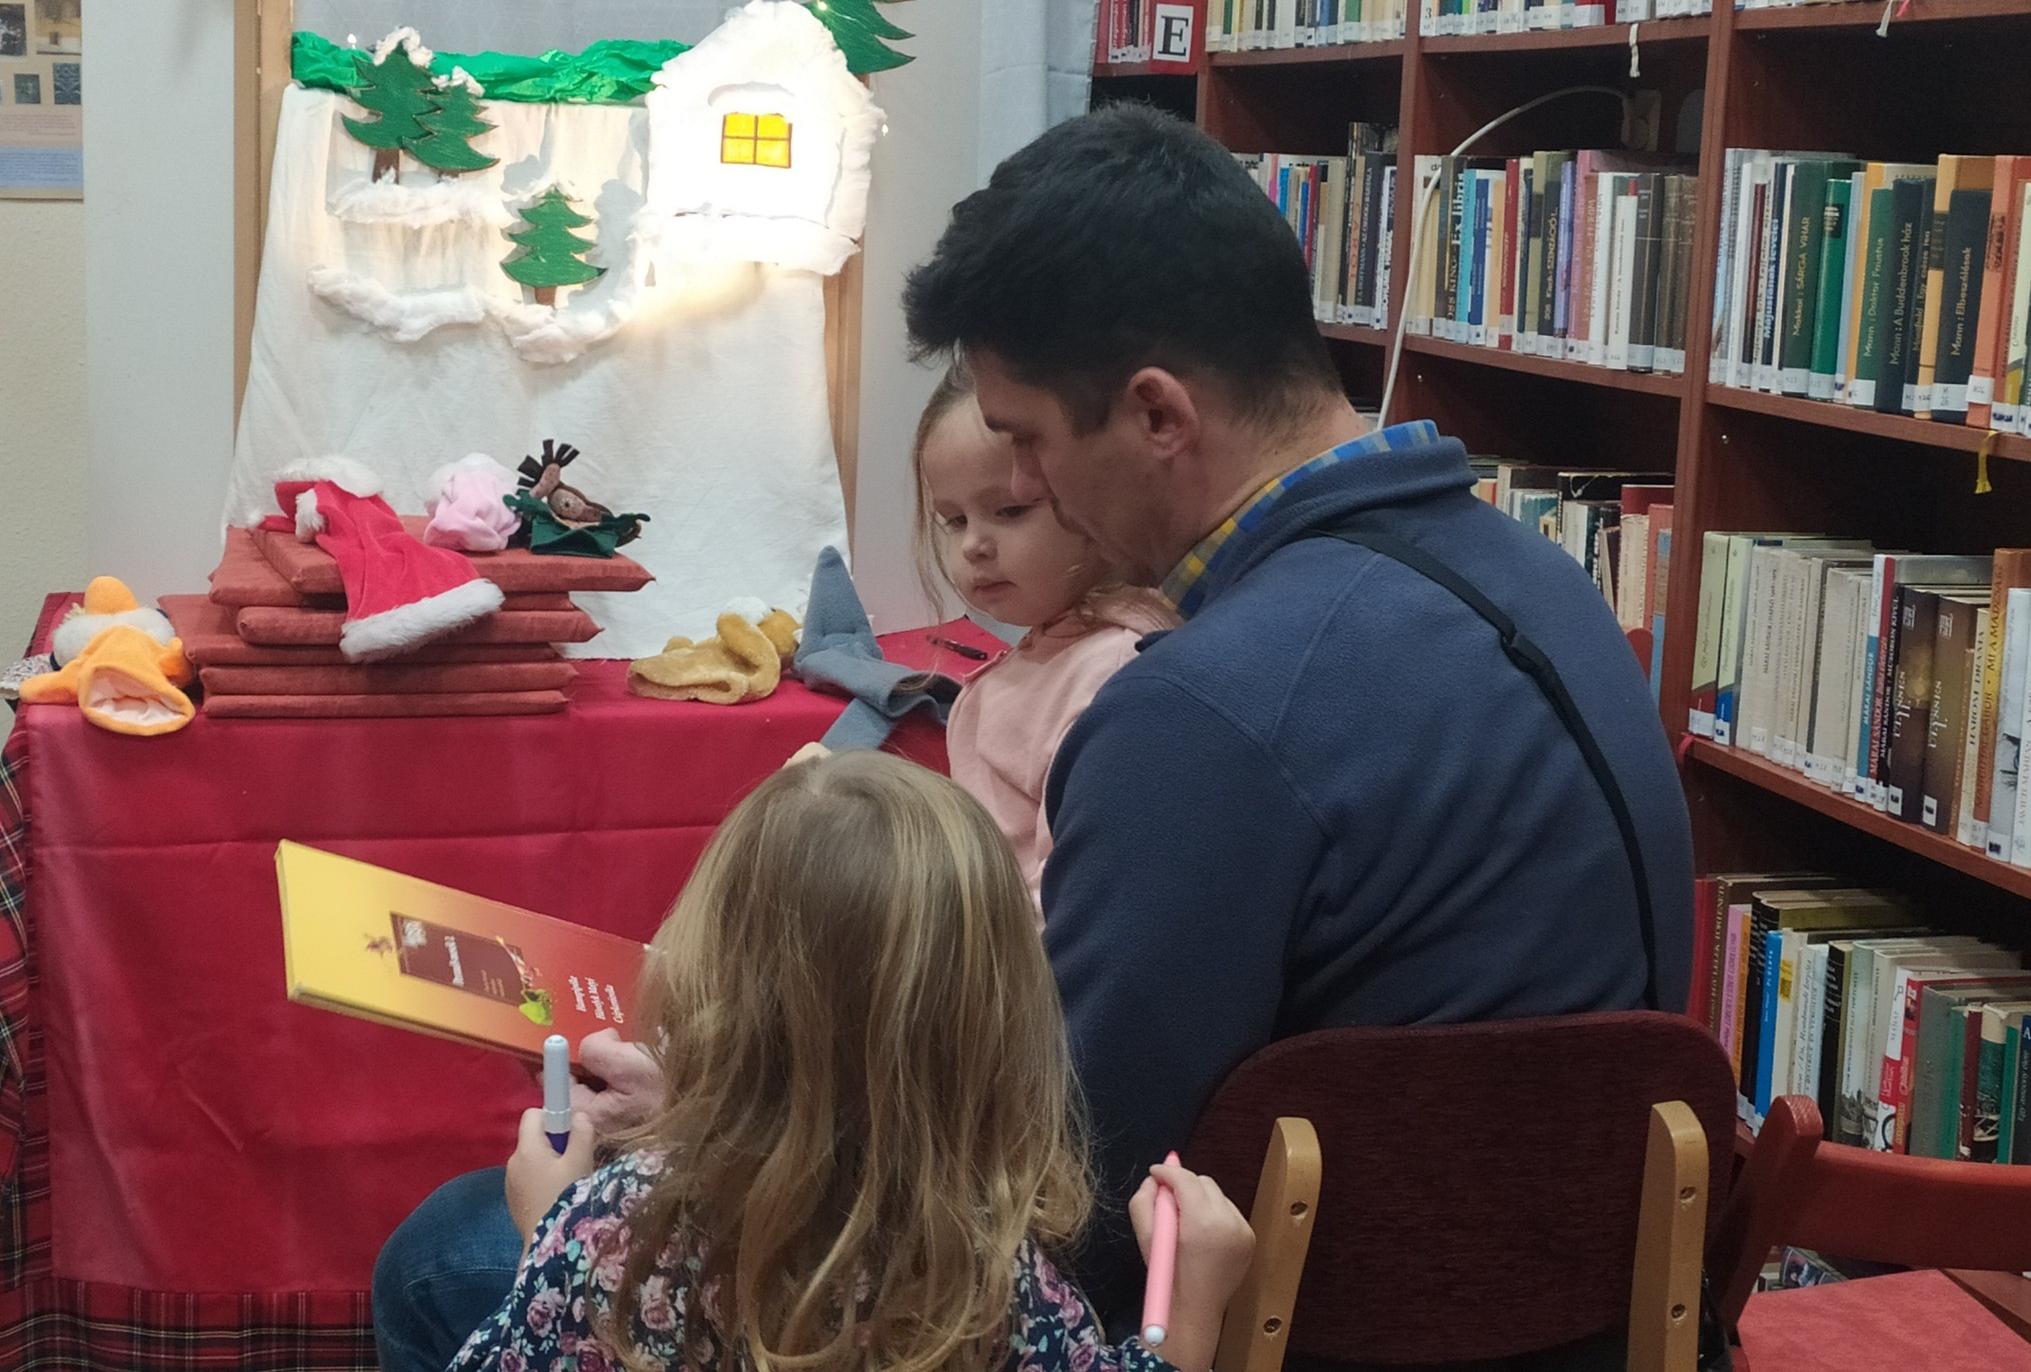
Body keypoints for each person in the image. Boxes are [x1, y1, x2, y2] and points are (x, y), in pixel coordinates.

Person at [898, 103, 1695, 1325]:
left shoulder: (1198, 712)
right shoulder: (1550, 586)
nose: (1023, 485)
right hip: (1599, 1327)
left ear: (1159, 416)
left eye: (1027, 442)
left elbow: (1064, 1193)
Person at [378, 754, 1254, 1372]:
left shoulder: (609, 1233)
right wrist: (1189, 1311)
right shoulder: (992, 1281)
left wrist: (548, 1230)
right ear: (997, 1027)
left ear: (709, 986)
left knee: (426, 1259)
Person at [914, 360, 1178, 912]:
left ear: (1089, 497)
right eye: (955, 521)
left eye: (1009, 510)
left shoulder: (1110, 673)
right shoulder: (1046, 652)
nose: (973, 546)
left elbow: (1067, 902)